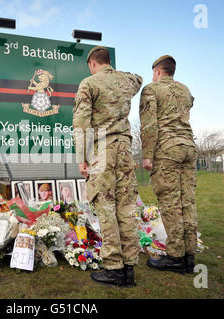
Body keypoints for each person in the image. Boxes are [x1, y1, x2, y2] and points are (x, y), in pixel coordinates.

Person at [73, 46, 143, 287]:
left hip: (102, 150)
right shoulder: (127, 81)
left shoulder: (88, 84)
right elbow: (139, 79)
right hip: (125, 149)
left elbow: (81, 124)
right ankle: (130, 268)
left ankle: (114, 268)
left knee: (105, 206)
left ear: (93, 63)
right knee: (126, 206)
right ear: (108, 61)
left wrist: (82, 158)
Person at [139, 55, 197, 274]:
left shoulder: (151, 90)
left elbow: (149, 125)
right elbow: (189, 106)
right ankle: (189, 255)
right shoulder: (185, 89)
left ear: (158, 71)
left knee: (170, 202)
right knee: (187, 201)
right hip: (188, 147)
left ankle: (175, 257)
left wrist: (147, 155)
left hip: (167, 150)